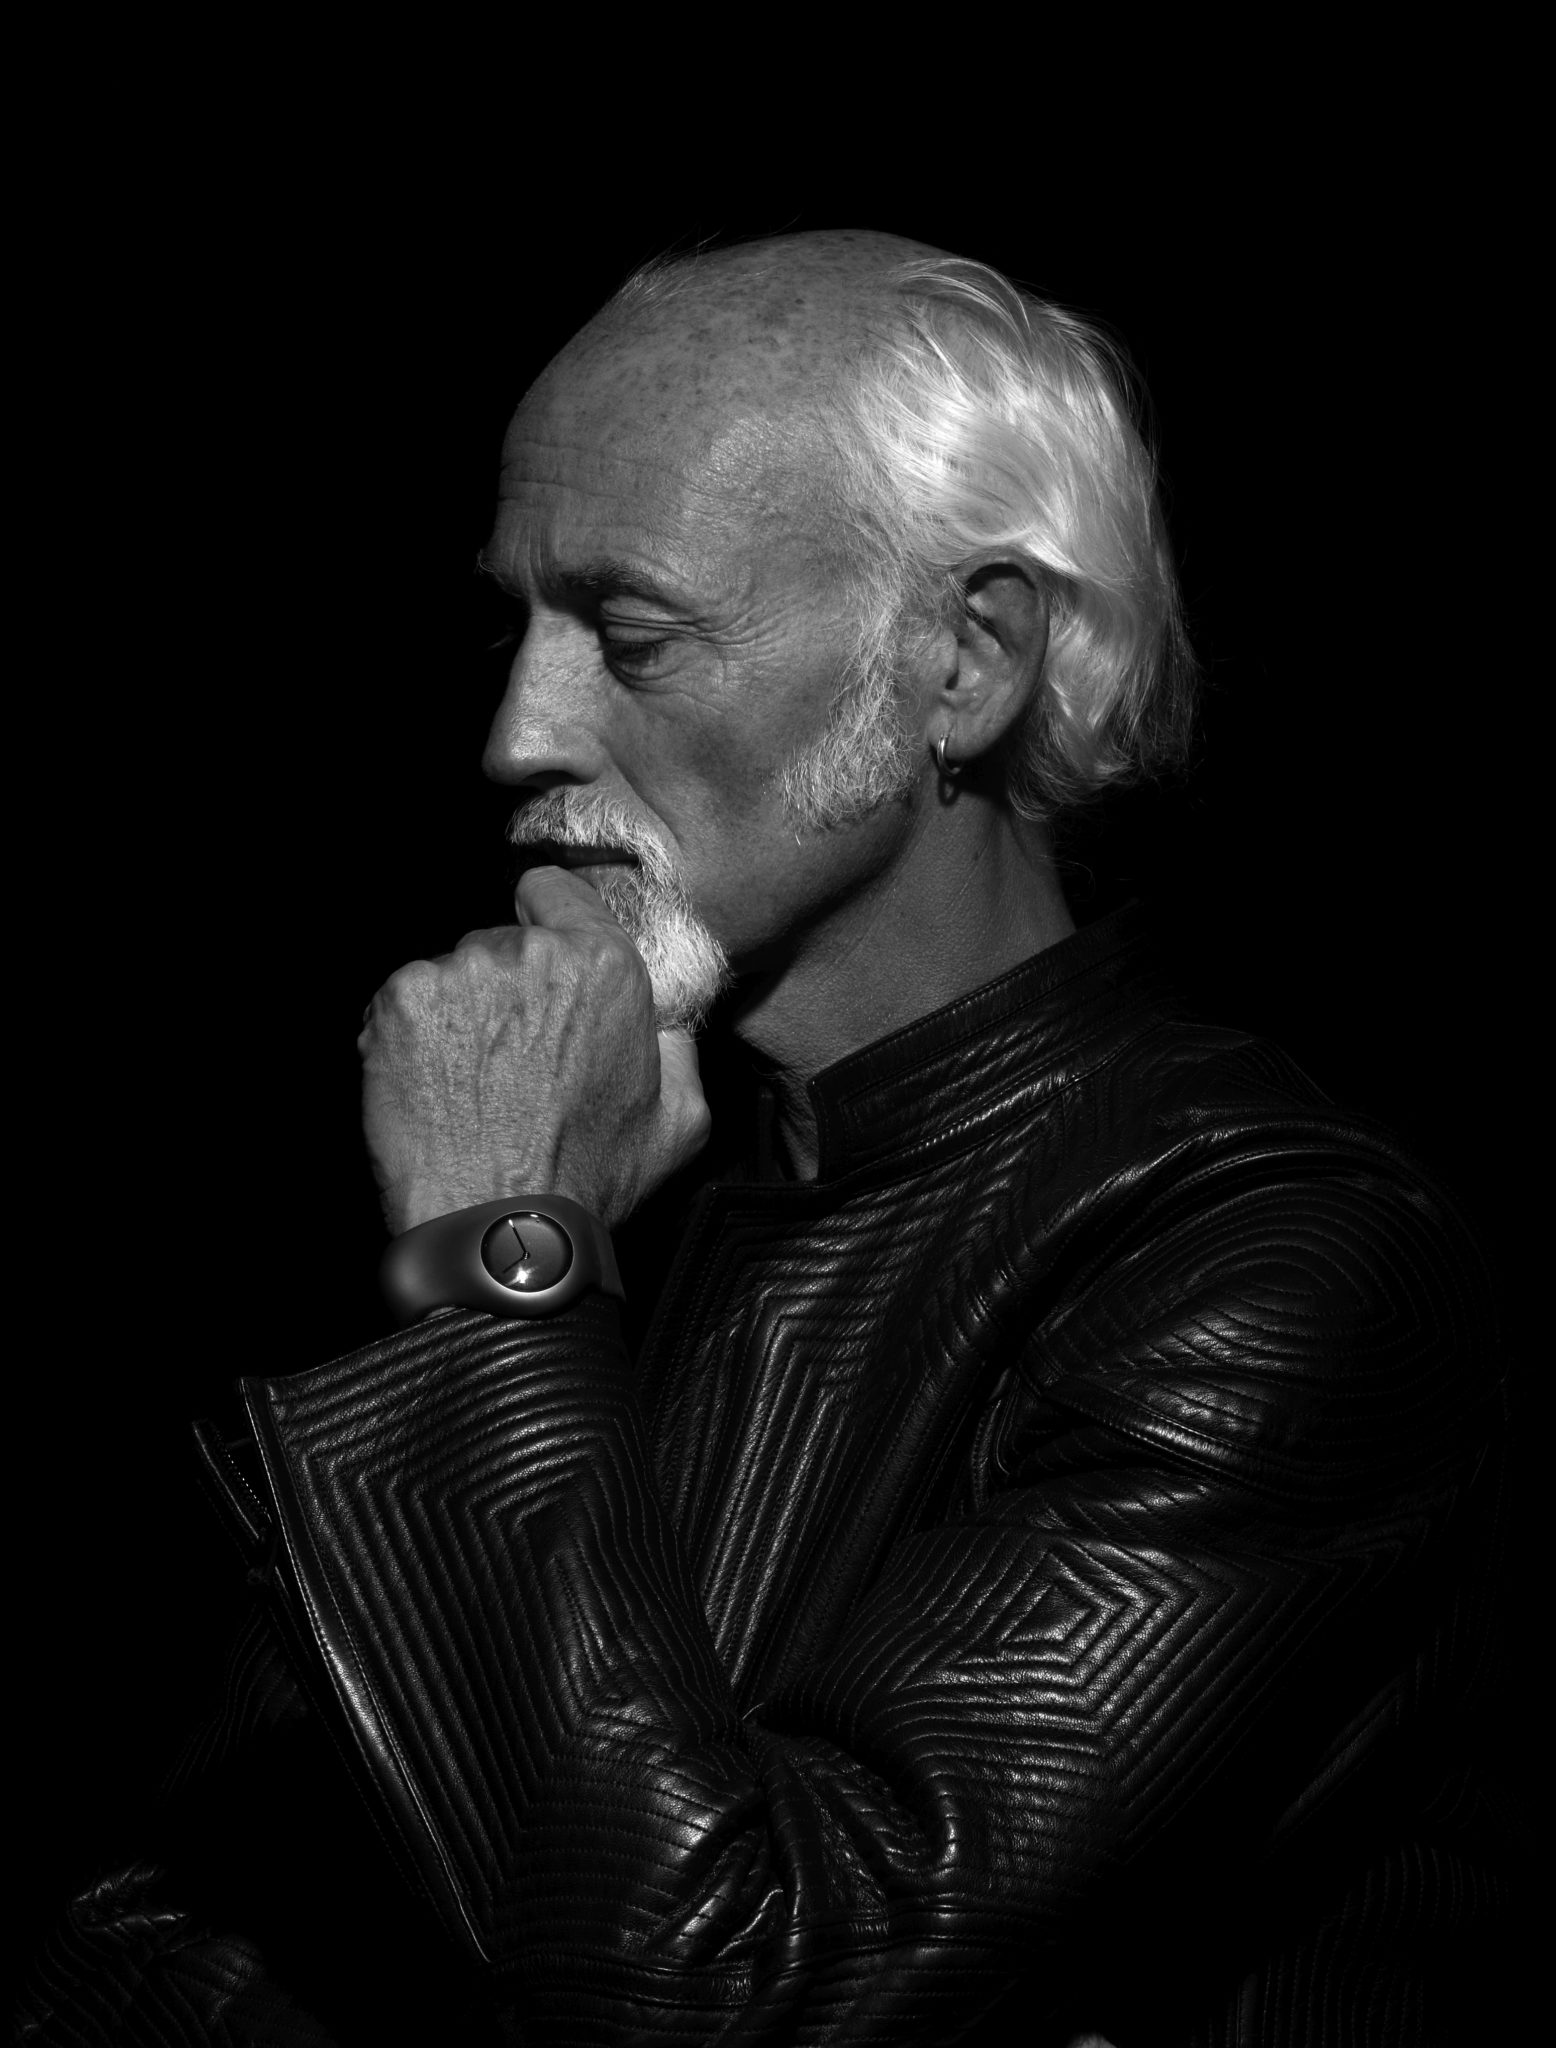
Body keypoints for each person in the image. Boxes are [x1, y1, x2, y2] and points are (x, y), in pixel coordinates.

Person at [22, 230, 1507, 2046]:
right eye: (515, 627)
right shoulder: (628, 1182)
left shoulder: (1269, 1258)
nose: (518, 734)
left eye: (633, 635)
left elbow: (731, 1999)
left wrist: (488, 1253)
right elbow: (170, 1929)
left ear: (965, 660)